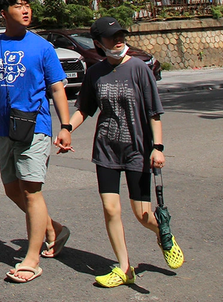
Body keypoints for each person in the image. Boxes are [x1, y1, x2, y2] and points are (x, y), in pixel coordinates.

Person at [59, 16, 183, 288]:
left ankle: (163, 233)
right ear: (98, 43)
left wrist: (158, 148)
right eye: (112, 38)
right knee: (110, 208)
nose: (118, 41)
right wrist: (67, 129)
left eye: (121, 36)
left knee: (141, 214)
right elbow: (85, 109)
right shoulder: (95, 73)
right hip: (106, 149)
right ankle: (124, 268)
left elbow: (154, 112)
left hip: (138, 150)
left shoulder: (139, 69)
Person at [0, 0, 73, 284]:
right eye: (19, 6)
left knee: (31, 192)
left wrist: (66, 126)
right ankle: (55, 229)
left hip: (35, 126)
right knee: (12, 190)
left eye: (27, 5)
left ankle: (32, 259)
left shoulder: (42, 47)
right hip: (4, 128)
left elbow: (58, 88)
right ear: (3, 13)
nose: (26, 10)